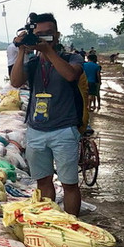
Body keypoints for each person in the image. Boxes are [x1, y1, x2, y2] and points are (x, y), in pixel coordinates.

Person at [10, 12, 85, 216]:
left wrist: (47, 51)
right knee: (43, 182)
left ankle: (72, 224)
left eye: (48, 34)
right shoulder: (33, 63)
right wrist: (21, 51)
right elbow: (15, 82)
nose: (44, 38)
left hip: (64, 130)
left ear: (58, 35)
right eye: (39, 35)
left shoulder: (72, 58)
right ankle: (48, 220)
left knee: (69, 183)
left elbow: (70, 75)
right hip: (36, 130)